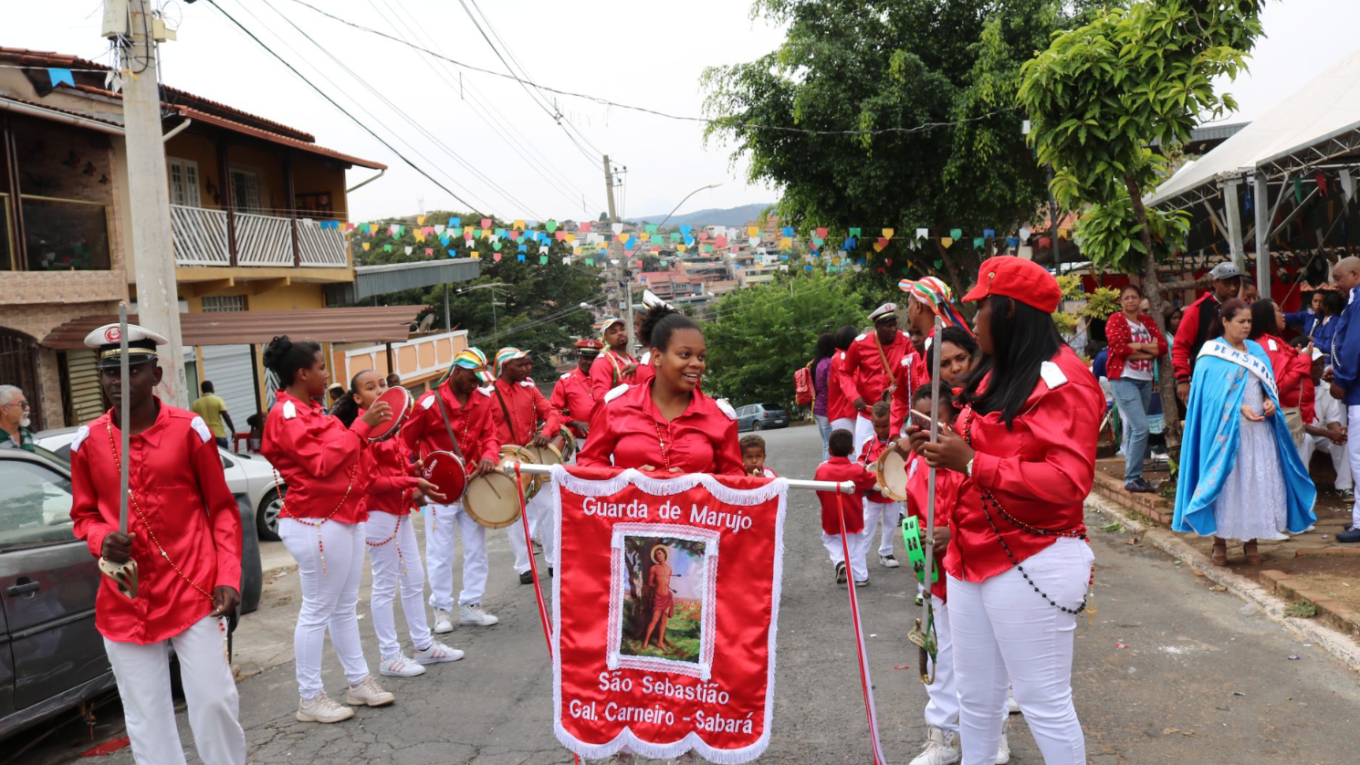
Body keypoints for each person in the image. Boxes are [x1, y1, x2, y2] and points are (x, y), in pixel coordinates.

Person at [909, 256, 1103, 765]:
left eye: (981, 309)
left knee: (1042, 701)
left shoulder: (1065, 381)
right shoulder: (1000, 372)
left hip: (1033, 554)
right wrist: (938, 444)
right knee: (975, 700)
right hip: (972, 553)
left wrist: (972, 462)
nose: (972, 323)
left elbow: (1068, 482)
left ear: (1011, 313)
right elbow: (983, 445)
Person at [69, 323, 246, 765]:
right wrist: (100, 539)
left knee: (214, 700)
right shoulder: (87, 443)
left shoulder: (192, 432)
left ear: (155, 372)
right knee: (146, 717)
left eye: (131, 370)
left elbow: (222, 510)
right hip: (125, 597)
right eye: (108, 372)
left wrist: (228, 574)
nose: (117, 382)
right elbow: (83, 517)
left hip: (193, 587)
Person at [260, 335, 397, 723]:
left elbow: (350, 457)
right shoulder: (286, 414)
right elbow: (321, 463)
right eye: (321, 368)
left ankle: (358, 682)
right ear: (302, 374)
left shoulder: (313, 410)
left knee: (342, 607)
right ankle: (310, 698)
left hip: (344, 515)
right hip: (316, 520)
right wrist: (362, 426)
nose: (326, 374)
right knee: (318, 609)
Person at [900, 386, 1011, 765]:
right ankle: (941, 736)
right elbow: (911, 517)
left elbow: (999, 511)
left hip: (976, 567)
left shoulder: (975, 456)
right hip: (937, 579)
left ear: (955, 417)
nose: (927, 430)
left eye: (936, 419)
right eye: (919, 421)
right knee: (941, 656)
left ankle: (993, 734)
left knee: (988, 658)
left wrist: (955, 534)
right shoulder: (915, 463)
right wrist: (921, 565)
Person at [331, 370, 463, 678]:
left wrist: (414, 469)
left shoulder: (391, 427)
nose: (379, 391)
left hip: (400, 510)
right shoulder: (360, 432)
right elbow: (370, 482)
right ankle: (389, 656)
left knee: (415, 578)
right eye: (370, 387)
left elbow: (398, 466)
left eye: (382, 385)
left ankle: (423, 646)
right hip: (378, 514)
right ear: (357, 398)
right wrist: (412, 480)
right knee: (386, 584)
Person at [1173, 299, 1316, 565]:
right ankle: (1220, 543)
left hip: (1259, 431)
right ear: (1225, 322)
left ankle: (1252, 541)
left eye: (1249, 321)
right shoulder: (1211, 353)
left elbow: (1268, 386)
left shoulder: (1256, 351)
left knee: (1254, 483)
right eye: (1241, 321)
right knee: (1226, 484)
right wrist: (1239, 408)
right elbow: (1208, 399)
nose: (1247, 326)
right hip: (1225, 434)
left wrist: (1268, 400)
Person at [401, 349, 503, 627]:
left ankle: (472, 604)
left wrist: (489, 456)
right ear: (457, 370)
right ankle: (441, 609)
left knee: (477, 548)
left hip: (472, 484)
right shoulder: (427, 403)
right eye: (473, 377)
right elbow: (403, 443)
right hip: (437, 488)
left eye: (481, 379)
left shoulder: (483, 400)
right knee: (440, 551)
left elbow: (490, 436)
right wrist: (413, 479)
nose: (477, 384)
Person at [578, 309, 743, 476]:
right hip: (633, 503)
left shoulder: (720, 416)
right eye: (684, 355)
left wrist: (696, 484)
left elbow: (736, 477)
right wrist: (626, 479)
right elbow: (589, 462)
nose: (697, 364)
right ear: (657, 357)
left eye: (701, 357)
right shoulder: (614, 407)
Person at [491, 347, 564, 584]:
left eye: (528, 364)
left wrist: (547, 431)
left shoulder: (530, 389)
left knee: (549, 508)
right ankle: (524, 566)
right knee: (516, 515)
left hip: (533, 459)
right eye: (520, 365)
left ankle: (554, 562)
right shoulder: (488, 394)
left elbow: (552, 413)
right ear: (504, 366)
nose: (526, 369)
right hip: (505, 461)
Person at [1105, 284, 1169, 493]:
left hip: (1144, 379)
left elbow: (1161, 346)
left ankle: (1134, 477)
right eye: (1126, 298)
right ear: (1121, 302)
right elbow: (1119, 348)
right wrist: (1146, 350)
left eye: (1134, 297)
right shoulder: (1116, 320)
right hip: (1124, 379)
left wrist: (1137, 346)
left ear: (1140, 299)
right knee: (1141, 427)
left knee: (1134, 428)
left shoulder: (1147, 321)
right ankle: (1133, 477)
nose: (1130, 301)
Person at [893, 277, 975, 436]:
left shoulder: (940, 341)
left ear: (917, 306)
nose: (955, 367)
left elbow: (934, 401)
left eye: (909, 304)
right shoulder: (937, 337)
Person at [837, 303, 912, 454]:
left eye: (894, 325)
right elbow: (844, 373)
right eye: (888, 326)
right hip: (868, 414)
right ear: (877, 326)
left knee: (900, 459)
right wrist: (854, 396)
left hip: (897, 415)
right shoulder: (860, 344)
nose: (893, 330)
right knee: (863, 457)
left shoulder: (906, 342)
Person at [814, 428, 879, 586]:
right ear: (852, 450)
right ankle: (861, 577)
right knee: (856, 544)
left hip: (830, 514)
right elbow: (872, 480)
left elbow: (817, 488)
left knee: (830, 539)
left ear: (829, 450)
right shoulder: (856, 470)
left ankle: (840, 561)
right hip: (853, 515)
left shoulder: (821, 469)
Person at [1173, 261, 1243, 403]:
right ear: (1214, 282)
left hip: (1238, 377)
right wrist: (1183, 380)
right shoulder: (1197, 310)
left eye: (1236, 283)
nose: (1233, 288)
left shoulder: (1241, 309)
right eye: (1227, 284)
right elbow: (1180, 346)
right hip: (1207, 380)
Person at [1327, 256, 1360, 543]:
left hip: (1358, 392)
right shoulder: (1355, 299)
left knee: (1359, 459)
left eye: (1338, 278)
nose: (1334, 284)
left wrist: (1342, 378)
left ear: (1355, 275)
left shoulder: (1359, 301)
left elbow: (1353, 345)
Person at [1249, 299, 1313, 446]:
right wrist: (1303, 360)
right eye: (1278, 311)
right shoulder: (1269, 345)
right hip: (1282, 418)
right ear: (1268, 316)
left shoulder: (1273, 342)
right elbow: (1277, 386)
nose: (1283, 315)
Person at [1299, 347, 1352, 502]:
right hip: (1301, 433)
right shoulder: (1296, 386)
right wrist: (1329, 433)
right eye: (1315, 364)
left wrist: (1337, 431)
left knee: (1343, 441)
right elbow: (1298, 425)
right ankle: (1302, 489)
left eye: (1321, 364)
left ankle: (1344, 486)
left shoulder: (1326, 387)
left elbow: (1332, 418)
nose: (1319, 368)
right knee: (1306, 440)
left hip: (1321, 432)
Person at [858, 401, 902, 570]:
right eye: (877, 426)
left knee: (891, 522)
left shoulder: (898, 443)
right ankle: (861, 555)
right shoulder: (869, 443)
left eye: (885, 426)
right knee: (868, 524)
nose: (882, 430)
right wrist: (861, 466)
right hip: (874, 492)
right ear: (872, 423)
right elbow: (861, 459)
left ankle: (886, 552)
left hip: (893, 492)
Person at [550, 339, 603, 444]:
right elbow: (553, 412)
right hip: (578, 440)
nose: (588, 362)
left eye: (593, 358)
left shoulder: (605, 379)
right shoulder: (565, 381)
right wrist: (575, 423)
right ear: (577, 357)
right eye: (585, 358)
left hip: (605, 439)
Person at [588, 316, 639, 405]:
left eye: (622, 329)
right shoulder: (602, 362)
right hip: (618, 416)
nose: (620, 333)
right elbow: (601, 396)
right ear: (606, 339)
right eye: (613, 332)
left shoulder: (633, 361)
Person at [827, 326, 859, 439]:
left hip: (846, 411)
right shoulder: (841, 357)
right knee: (849, 450)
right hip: (842, 411)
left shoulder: (841, 356)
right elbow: (849, 380)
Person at [642, 545, 675, 651]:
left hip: (667, 597)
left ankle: (660, 642)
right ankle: (646, 640)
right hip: (658, 596)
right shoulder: (654, 568)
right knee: (654, 619)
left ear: (664, 554)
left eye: (659, 553)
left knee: (664, 620)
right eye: (656, 555)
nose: (658, 556)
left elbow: (668, 582)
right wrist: (657, 587)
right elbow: (650, 582)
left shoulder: (669, 569)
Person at [812, 332, 836, 460]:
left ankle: (824, 469)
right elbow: (830, 385)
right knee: (830, 443)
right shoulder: (829, 363)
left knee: (825, 443)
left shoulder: (816, 363)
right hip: (826, 407)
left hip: (816, 407)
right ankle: (828, 472)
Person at [191, 381, 236, 449]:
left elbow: (194, 421)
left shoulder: (195, 403)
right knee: (223, 458)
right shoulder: (218, 400)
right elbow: (226, 416)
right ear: (211, 388)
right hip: (219, 435)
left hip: (205, 437)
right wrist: (233, 431)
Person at [0, 384, 35, 451]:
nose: (27, 408)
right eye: (21, 404)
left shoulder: (25, 434)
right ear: (4, 409)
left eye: (26, 403)